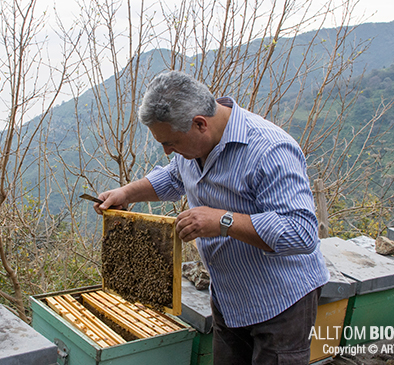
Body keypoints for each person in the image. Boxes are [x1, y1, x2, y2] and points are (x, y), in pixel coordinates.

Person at [95, 71, 329, 364]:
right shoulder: (190, 146)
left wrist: (223, 221)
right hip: (229, 297)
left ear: (200, 124)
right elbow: (174, 176)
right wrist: (127, 193)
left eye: (170, 142)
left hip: (281, 301)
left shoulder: (270, 150)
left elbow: (302, 233)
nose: (168, 150)